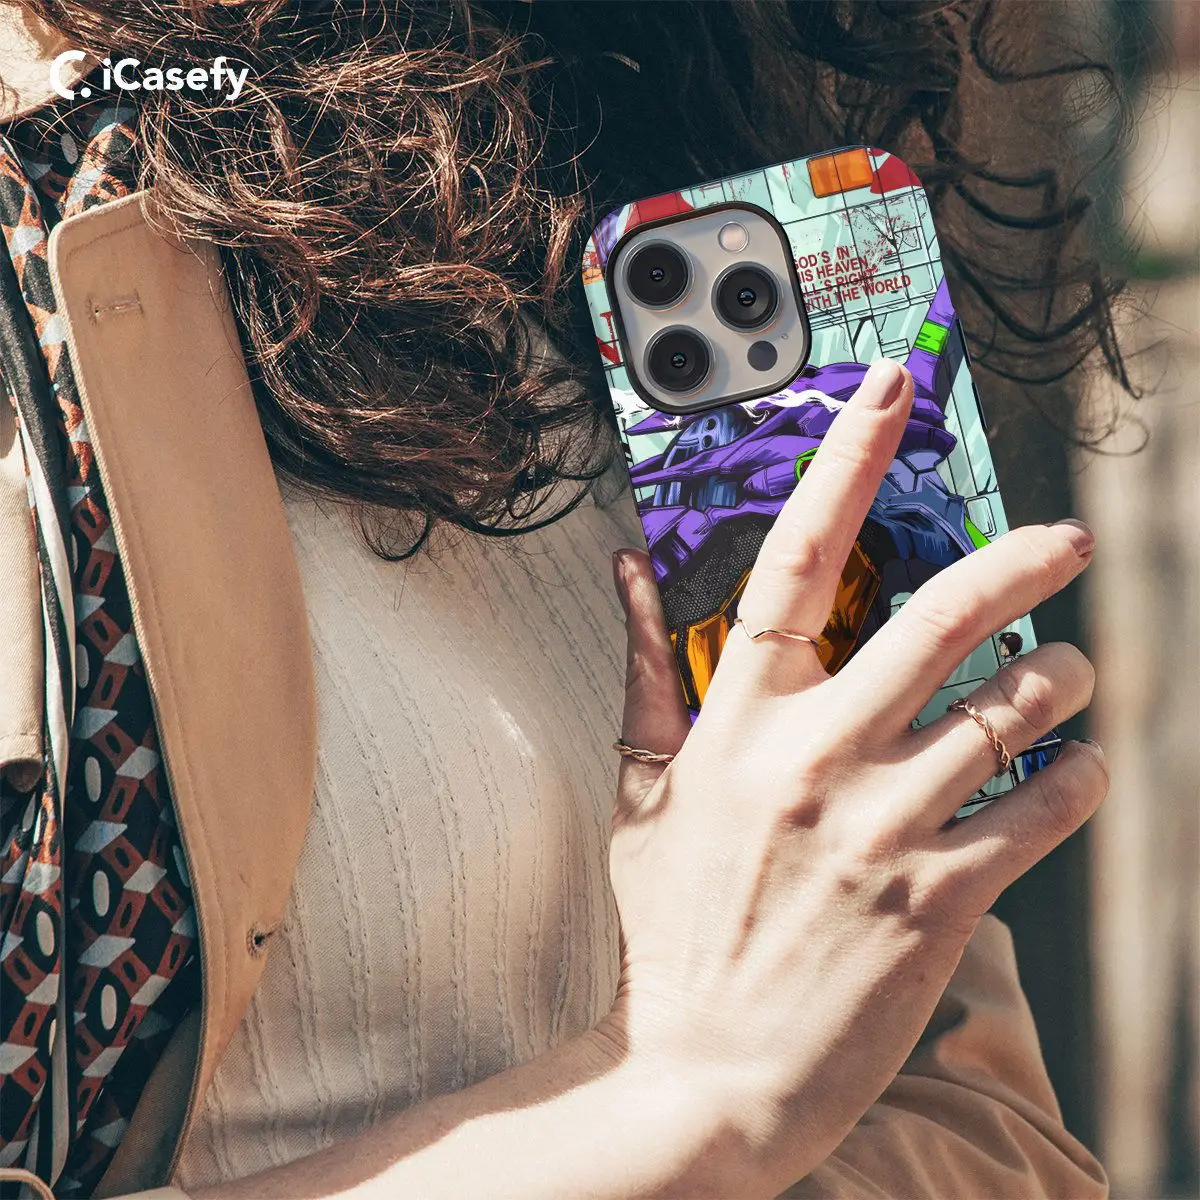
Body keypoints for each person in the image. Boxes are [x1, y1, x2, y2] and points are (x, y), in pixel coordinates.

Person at [0, 2, 1124, 1196]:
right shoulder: (46, 259)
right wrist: (685, 1090)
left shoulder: (623, 175)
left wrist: (736, 1093)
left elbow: (989, 1137)